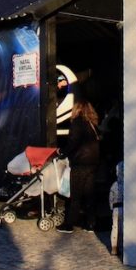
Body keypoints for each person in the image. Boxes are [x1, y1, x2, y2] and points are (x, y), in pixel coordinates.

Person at [56, 96, 100, 234]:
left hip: (80, 162)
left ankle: (69, 224)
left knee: (74, 195)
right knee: (89, 194)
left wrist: (62, 152)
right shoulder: (92, 124)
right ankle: (90, 223)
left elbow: (73, 142)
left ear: (77, 109)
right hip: (92, 162)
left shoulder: (77, 123)